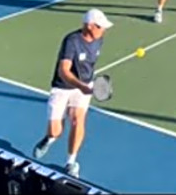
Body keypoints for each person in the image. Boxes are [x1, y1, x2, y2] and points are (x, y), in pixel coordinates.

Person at [32, 9, 114, 179]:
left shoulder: (100, 40)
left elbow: (88, 66)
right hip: (62, 87)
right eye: (100, 26)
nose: (103, 30)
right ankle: (49, 139)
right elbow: (63, 71)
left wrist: (86, 86)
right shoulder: (72, 41)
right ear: (89, 26)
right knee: (56, 131)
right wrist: (80, 85)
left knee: (77, 120)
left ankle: (71, 162)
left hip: (83, 87)